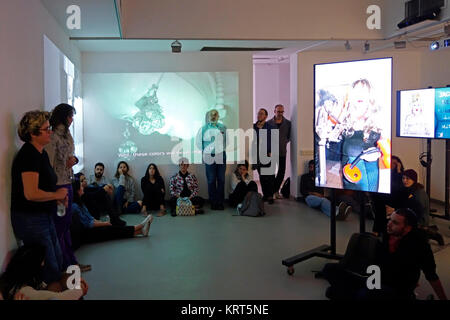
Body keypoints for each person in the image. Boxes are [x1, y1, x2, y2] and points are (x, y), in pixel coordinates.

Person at [324, 208, 447, 300]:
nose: (389, 224)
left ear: (408, 228)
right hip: (376, 279)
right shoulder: (388, 234)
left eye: (395, 223)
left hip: (397, 287)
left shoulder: (419, 245)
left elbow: (431, 275)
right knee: (330, 270)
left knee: (361, 295)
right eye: (390, 220)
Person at [10, 110, 68, 288]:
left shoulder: (41, 154)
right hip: (30, 219)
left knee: (57, 262)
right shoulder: (29, 155)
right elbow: (31, 193)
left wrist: (56, 199)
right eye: (46, 129)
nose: (50, 131)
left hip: (43, 216)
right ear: (33, 133)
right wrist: (57, 195)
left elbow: (42, 188)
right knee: (50, 270)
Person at [70, 179, 153, 251]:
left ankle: (140, 231)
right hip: (85, 234)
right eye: (81, 186)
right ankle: (139, 227)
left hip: (89, 228)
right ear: (77, 190)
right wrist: (103, 223)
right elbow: (88, 224)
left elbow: (89, 218)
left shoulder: (80, 202)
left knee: (111, 229)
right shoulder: (75, 206)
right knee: (110, 230)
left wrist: (99, 222)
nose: (83, 187)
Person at [44, 103, 79, 270]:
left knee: (66, 224)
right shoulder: (52, 137)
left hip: (67, 182)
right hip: (58, 186)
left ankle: (71, 262)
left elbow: (70, 156)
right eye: (70, 116)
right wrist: (65, 165)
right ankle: (63, 265)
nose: (72, 120)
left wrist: (73, 161)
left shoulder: (66, 134)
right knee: (60, 225)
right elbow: (49, 166)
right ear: (64, 117)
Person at [338, 79, 386, 192]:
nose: (359, 94)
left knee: (367, 200)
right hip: (347, 164)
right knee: (348, 197)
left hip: (367, 166)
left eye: (363, 90)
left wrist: (377, 152)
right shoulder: (345, 116)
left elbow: (385, 145)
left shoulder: (377, 117)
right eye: (356, 91)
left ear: (370, 95)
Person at [0, 245, 88, 300]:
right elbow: (64, 297)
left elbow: (53, 285)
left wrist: (73, 279)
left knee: (58, 284)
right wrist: (80, 287)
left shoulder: (17, 278)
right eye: (42, 262)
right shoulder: (24, 291)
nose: (43, 264)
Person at [198, 109, 227, 210]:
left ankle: (220, 202)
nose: (213, 116)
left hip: (221, 156)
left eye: (215, 115)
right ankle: (213, 202)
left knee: (221, 180)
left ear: (218, 116)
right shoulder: (203, 129)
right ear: (208, 117)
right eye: (211, 115)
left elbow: (227, 142)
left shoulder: (223, 127)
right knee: (211, 180)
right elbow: (199, 144)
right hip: (209, 156)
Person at [371, 155, 404, 235]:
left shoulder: (400, 175)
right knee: (379, 203)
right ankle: (378, 229)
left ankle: (378, 229)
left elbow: (399, 187)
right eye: (391, 162)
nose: (392, 165)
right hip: (383, 196)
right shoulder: (384, 171)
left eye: (394, 163)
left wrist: (399, 170)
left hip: (395, 197)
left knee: (382, 205)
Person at [268, 104, 291, 199]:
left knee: (281, 172)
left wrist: (284, 141)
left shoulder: (288, 123)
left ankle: (275, 190)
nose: (280, 113)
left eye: (282, 112)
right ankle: (273, 191)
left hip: (282, 151)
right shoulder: (268, 123)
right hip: (271, 152)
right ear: (274, 111)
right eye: (278, 111)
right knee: (272, 172)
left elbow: (289, 136)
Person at [253, 108, 275, 204]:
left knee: (269, 176)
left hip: (267, 154)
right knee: (262, 176)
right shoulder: (253, 127)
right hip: (257, 154)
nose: (259, 115)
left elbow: (273, 140)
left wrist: (270, 151)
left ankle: (270, 196)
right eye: (258, 114)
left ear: (266, 116)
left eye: (261, 114)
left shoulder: (269, 127)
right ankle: (265, 195)